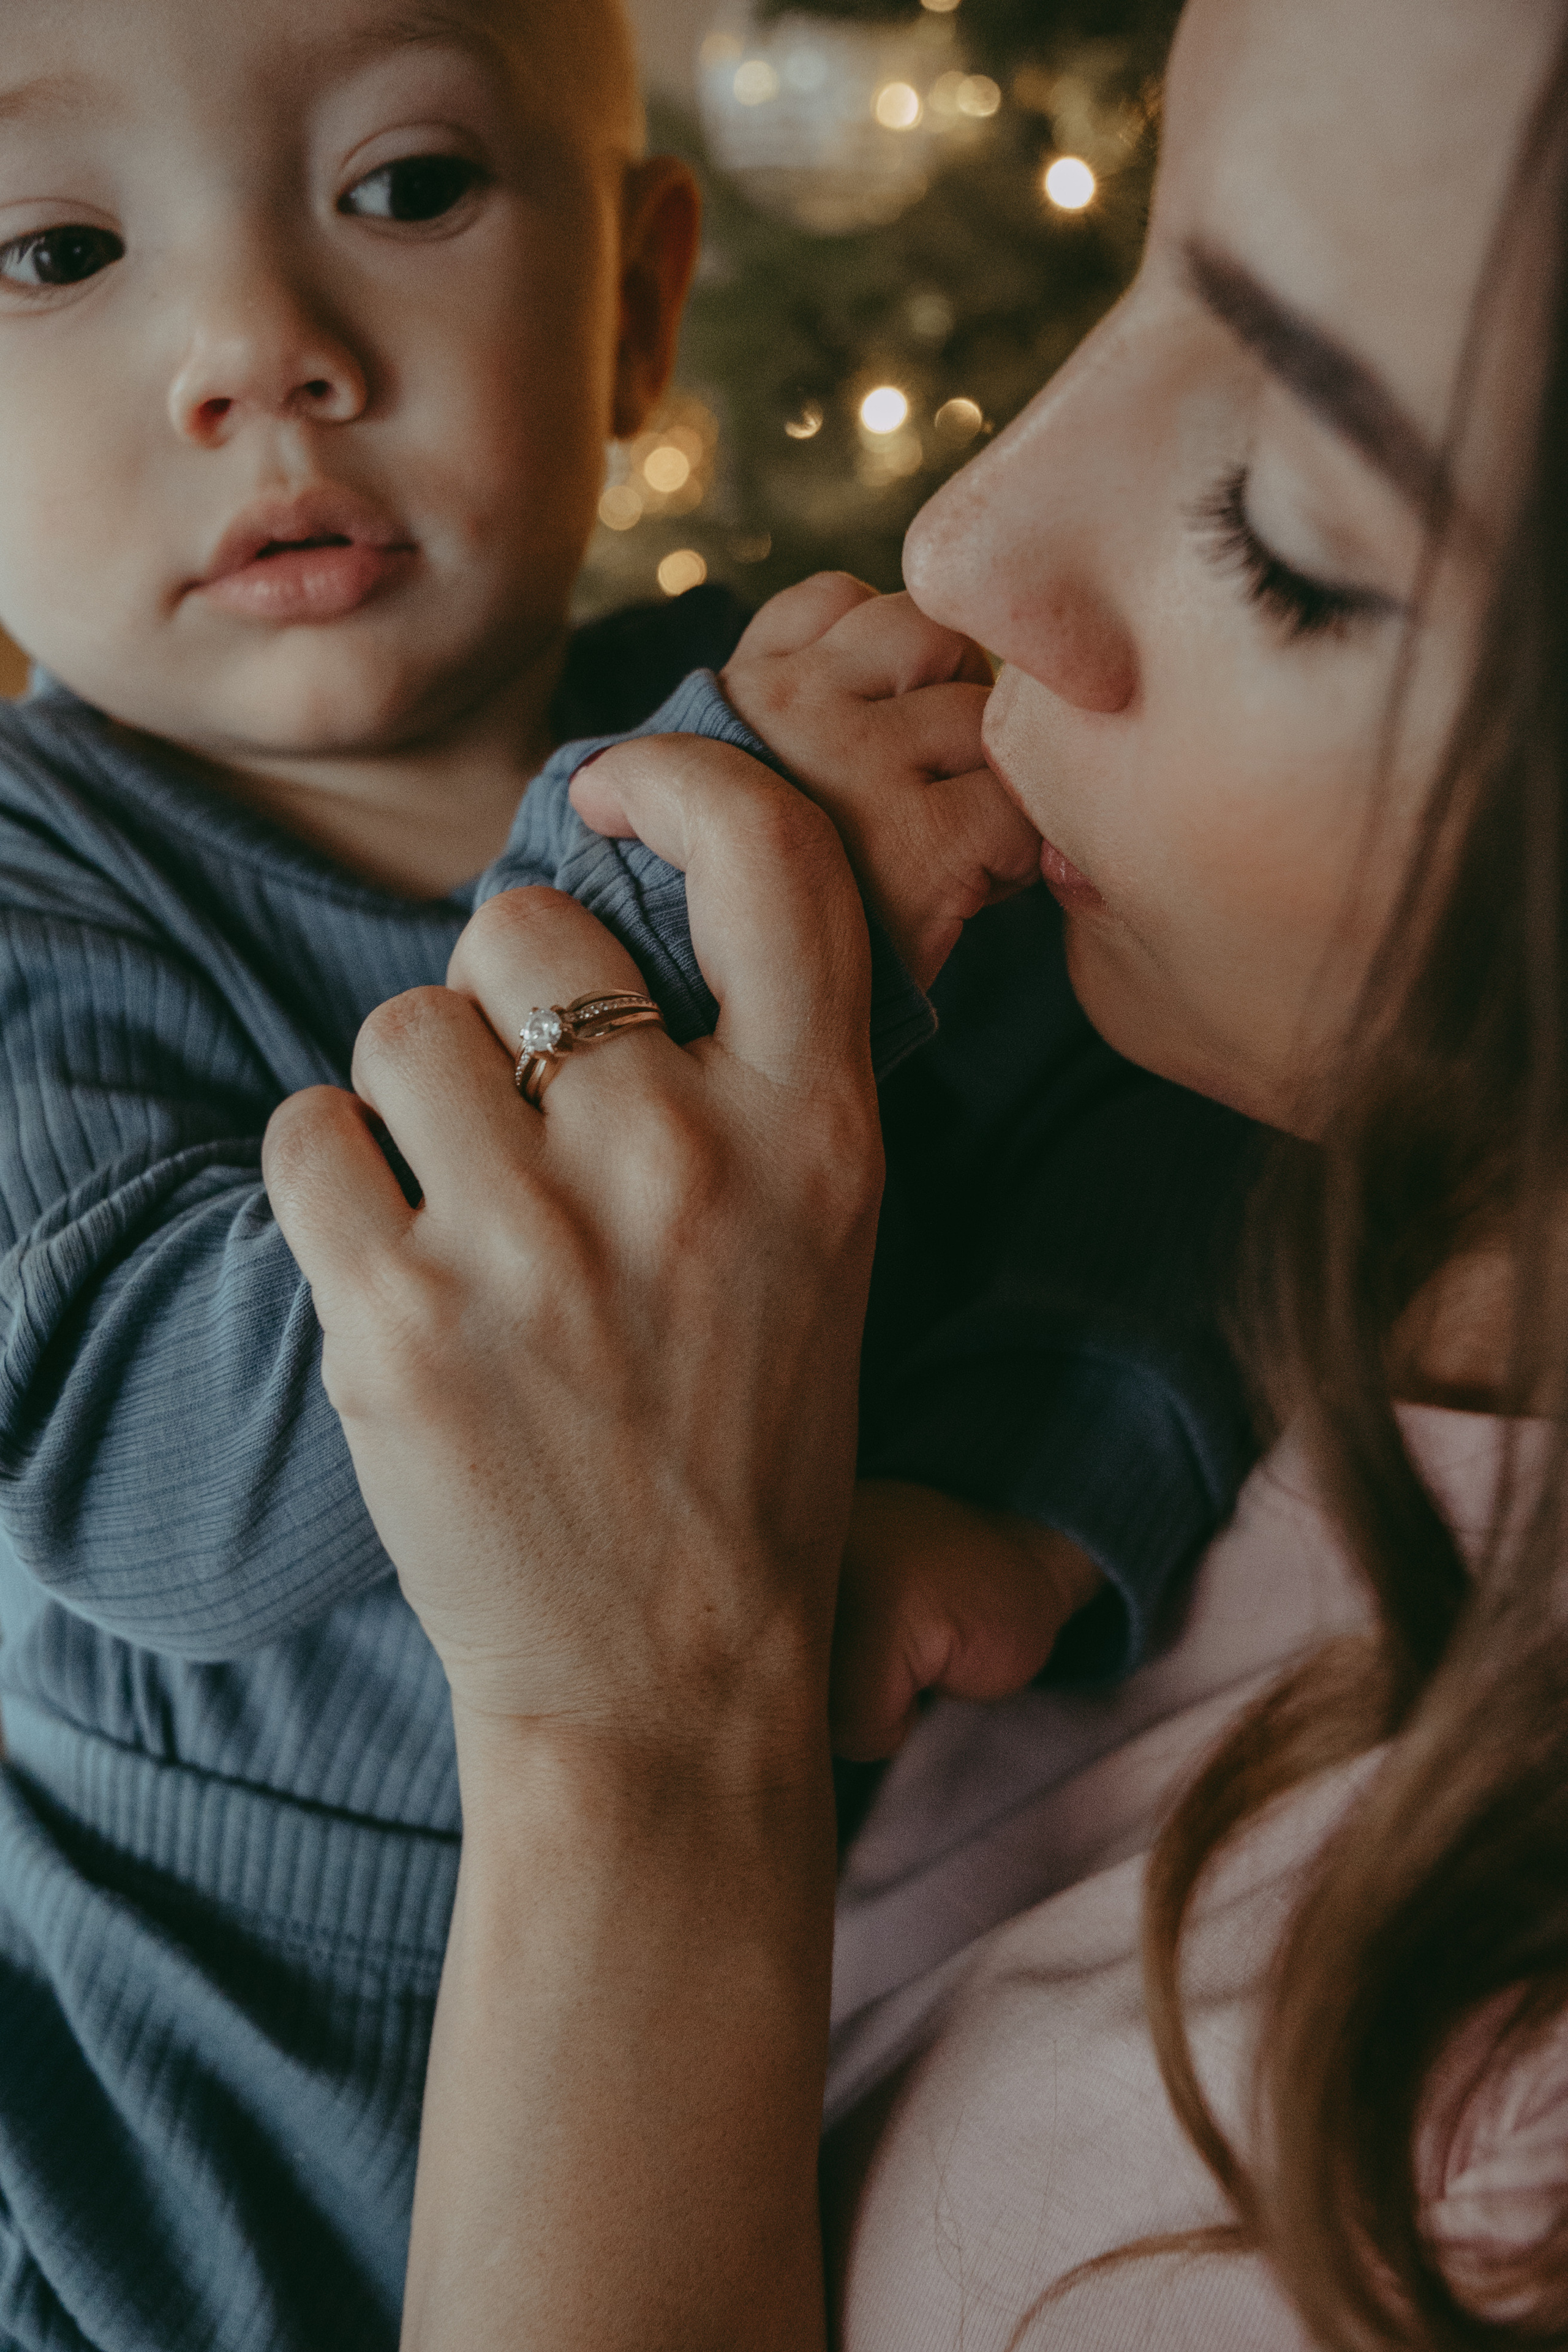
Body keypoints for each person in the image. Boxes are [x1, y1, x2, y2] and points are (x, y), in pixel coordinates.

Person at [265, 0, 1568, 2343]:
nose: (967, 535)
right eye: (1147, 263)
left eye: (1286, 536)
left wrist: (637, 1744)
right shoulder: (1224, 1150)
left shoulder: (1493, 2171)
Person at [0, 1, 1253, 2343]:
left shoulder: (812, 714)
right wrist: (710, 889)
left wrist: (1033, 1473)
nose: (260, 351)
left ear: (640, 304)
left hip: (791, 2017)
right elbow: (158, 1486)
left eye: (405, 188)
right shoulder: (37, 890)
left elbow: (1163, 1117)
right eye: (56, 249)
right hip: (181, 2152)